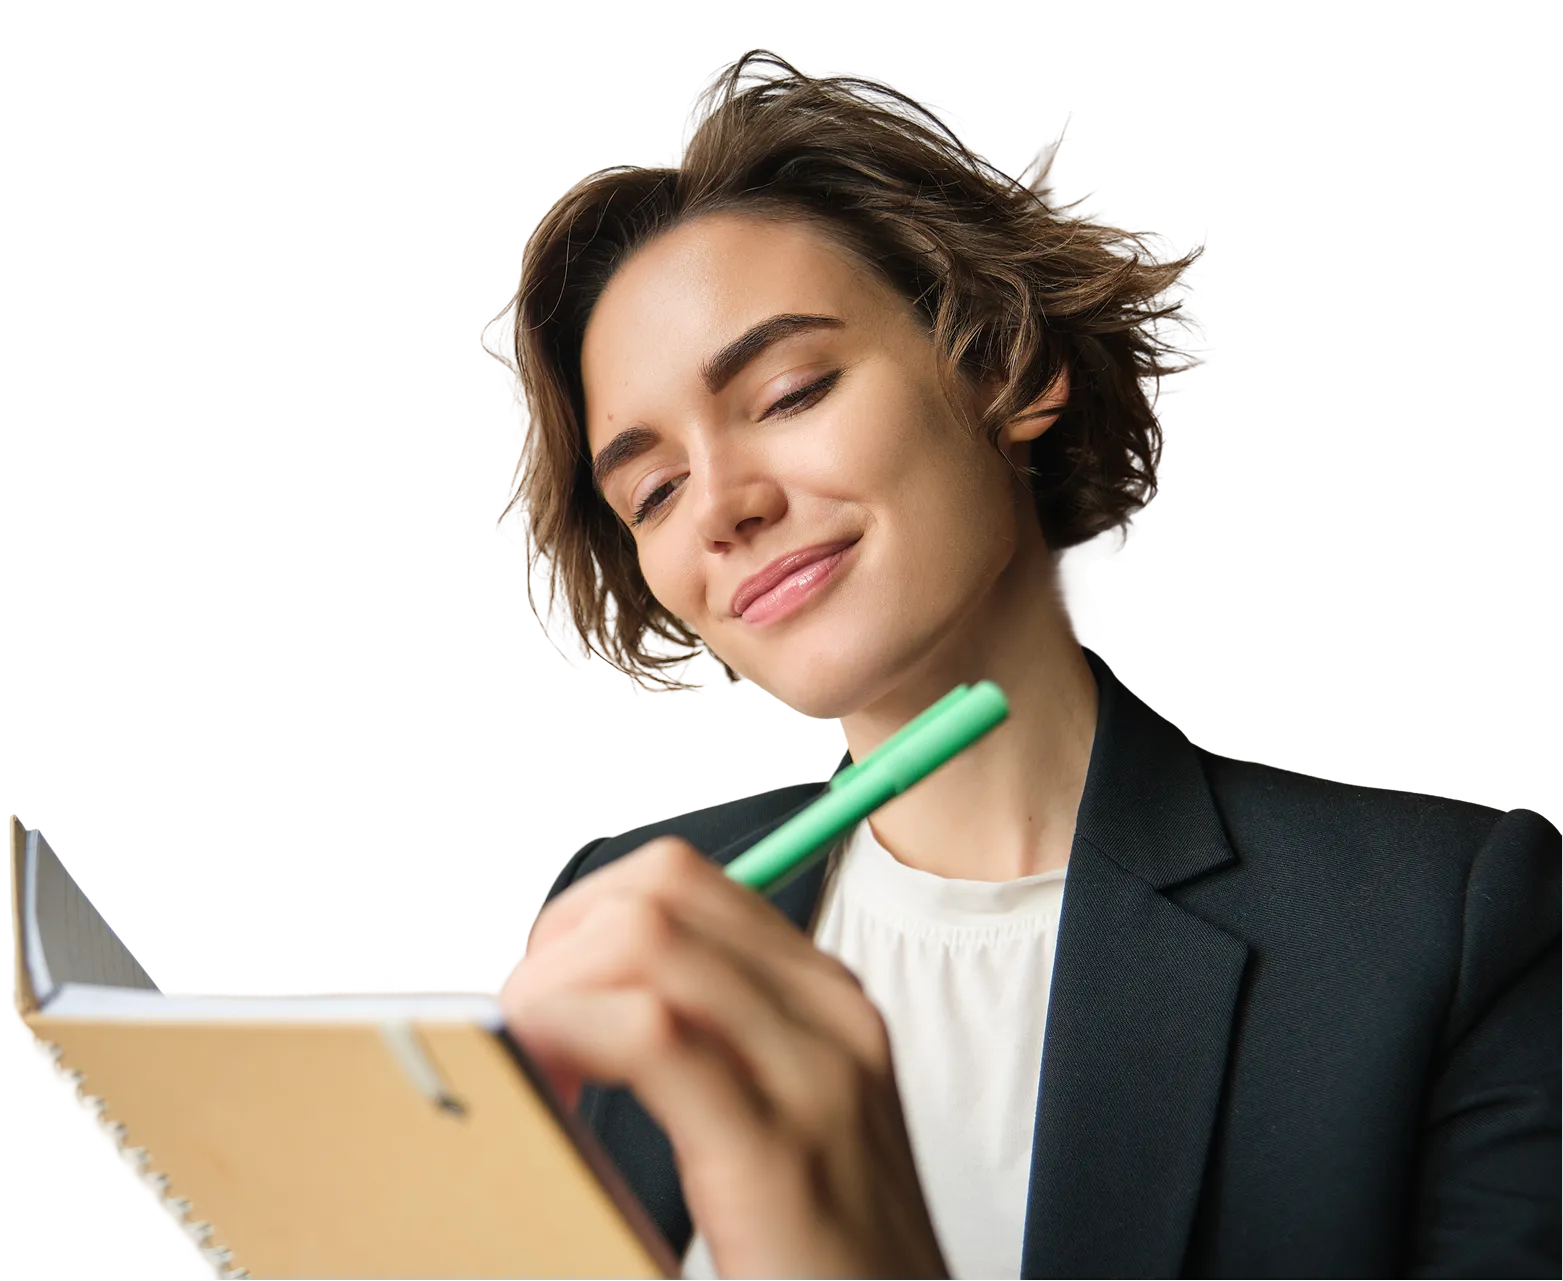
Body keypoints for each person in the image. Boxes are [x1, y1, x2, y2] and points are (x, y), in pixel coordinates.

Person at [482, 49, 1563, 1280]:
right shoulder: (620, 908)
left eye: (789, 391)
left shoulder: (1442, 924)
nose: (720, 507)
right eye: (654, 489)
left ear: (1007, 368)